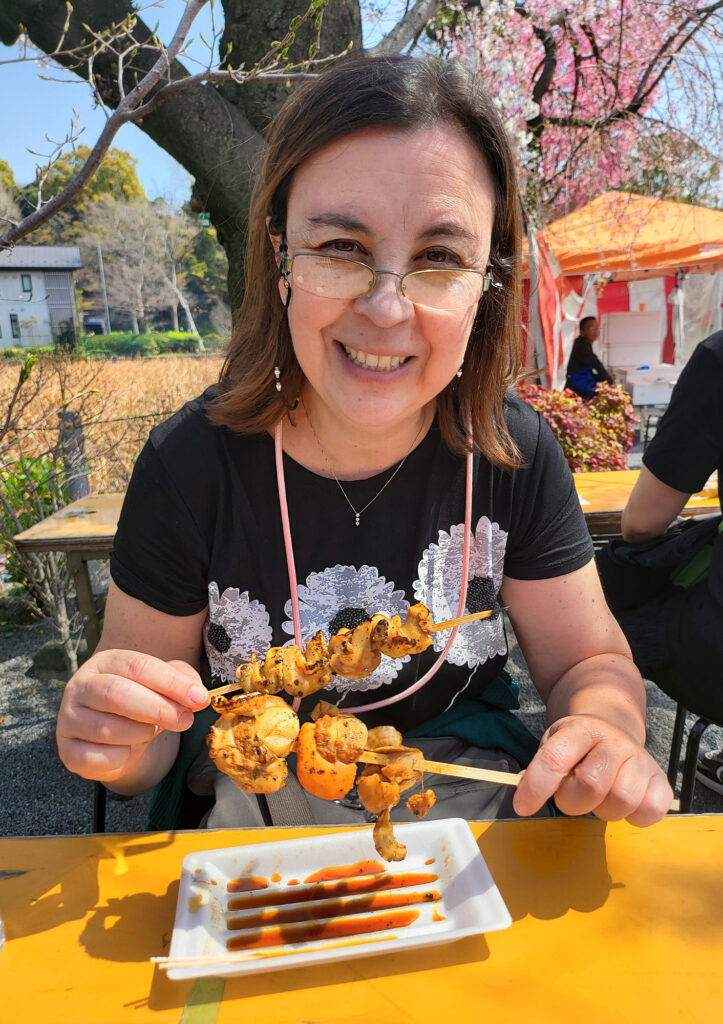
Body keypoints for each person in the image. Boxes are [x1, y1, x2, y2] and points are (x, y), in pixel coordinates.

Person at [56, 54, 671, 831]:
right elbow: (146, 739)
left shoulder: (512, 451)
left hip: (472, 796)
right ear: (279, 254)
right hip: (256, 813)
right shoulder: (188, 467)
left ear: (486, 285)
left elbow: (589, 663)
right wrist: (113, 737)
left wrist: (607, 729)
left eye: (439, 258)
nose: (386, 308)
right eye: (341, 247)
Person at [596, 329, 723, 794]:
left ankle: (605, 768)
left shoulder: (718, 356)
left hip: (715, 650)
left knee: (601, 631)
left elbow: (642, 523)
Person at [565, 316, 615, 399]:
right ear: (582, 332)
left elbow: (592, 369)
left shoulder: (586, 344)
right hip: (576, 383)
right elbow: (595, 363)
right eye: (592, 328)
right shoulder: (581, 344)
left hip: (583, 381)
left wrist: (603, 378)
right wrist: (609, 381)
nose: (595, 331)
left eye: (597, 328)